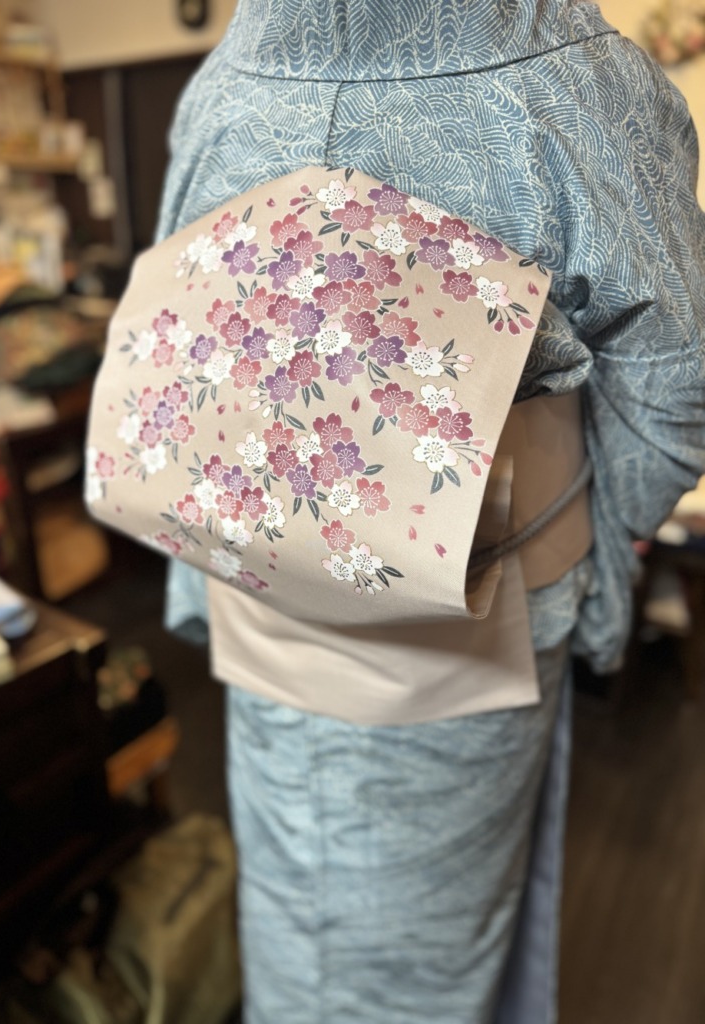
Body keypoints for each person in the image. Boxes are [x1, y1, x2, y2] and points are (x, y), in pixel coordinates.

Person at [155, 2, 705, 1021]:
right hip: (480, 613)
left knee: (297, 919)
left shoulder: (221, 90)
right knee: (439, 958)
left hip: (265, 591)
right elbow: (676, 388)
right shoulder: (570, 82)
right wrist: (581, 549)